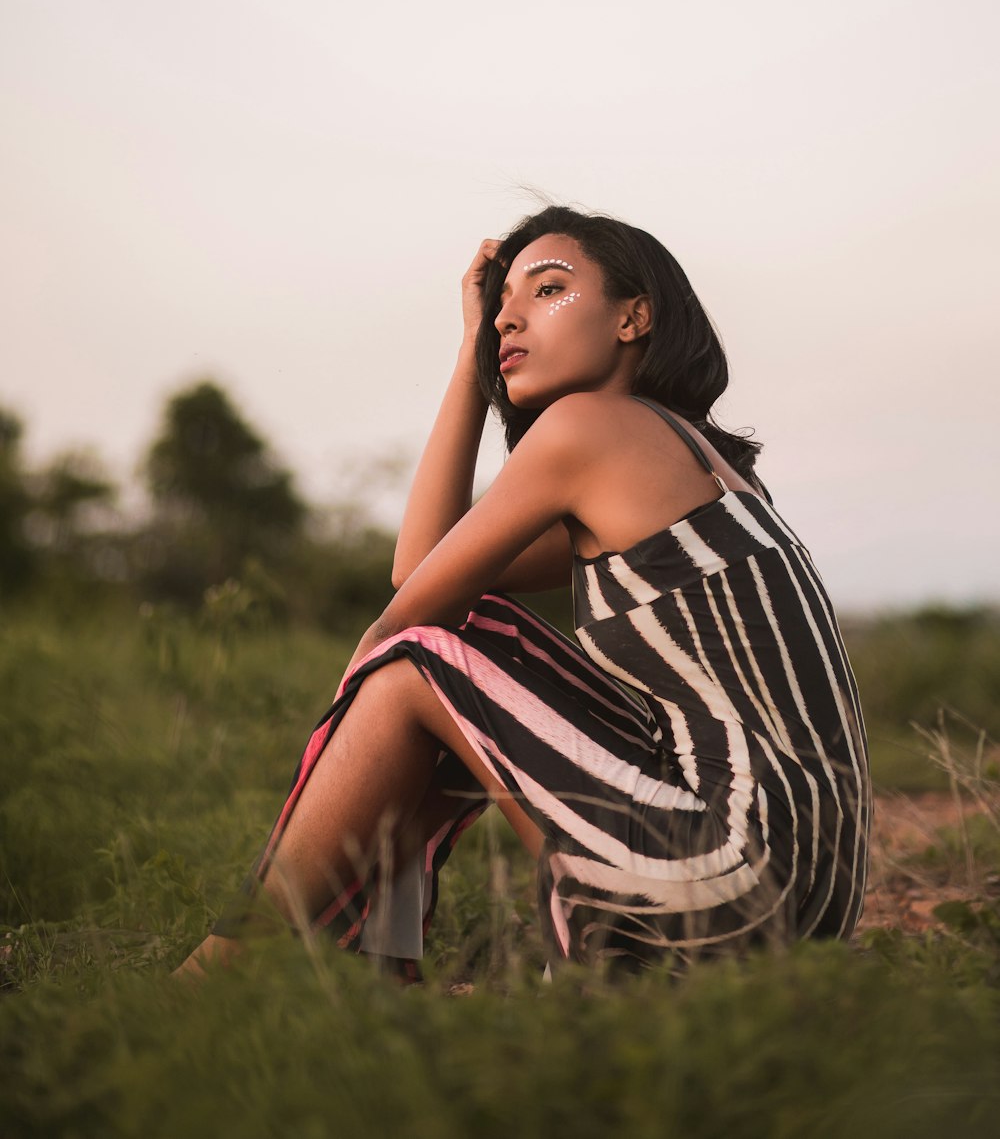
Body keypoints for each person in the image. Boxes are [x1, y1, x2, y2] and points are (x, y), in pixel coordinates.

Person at [176, 204, 870, 979]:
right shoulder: (689, 460)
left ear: (634, 316)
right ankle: (371, 970)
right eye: (501, 307)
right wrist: (472, 354)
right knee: (477, 631)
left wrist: (356, 713)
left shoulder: (590, 428)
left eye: (547, 290)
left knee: (409, 662)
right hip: (808, 897)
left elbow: (405, 614)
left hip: (733, 876)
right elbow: (426, 567)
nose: (509, 320)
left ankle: (225, 969)